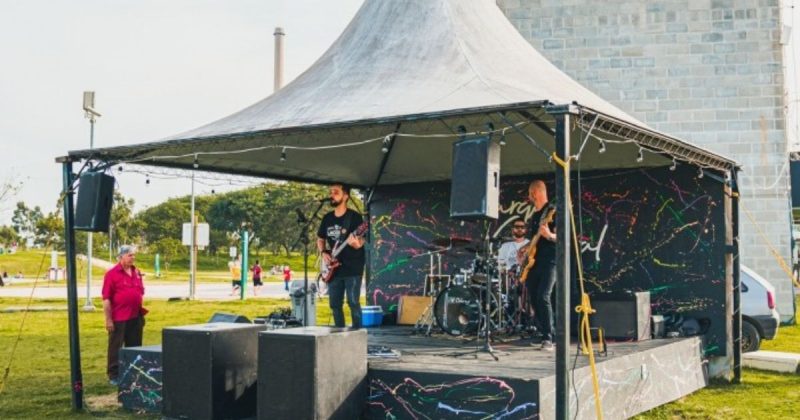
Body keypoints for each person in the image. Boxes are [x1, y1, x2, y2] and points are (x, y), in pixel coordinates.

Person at [317, 183, 366, 329]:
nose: (331, 195)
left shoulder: (355, 217)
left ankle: (357, 333)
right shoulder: (327, 218)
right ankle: (339, 334)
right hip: (333, 268)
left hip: (353, 267)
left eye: (336, 192)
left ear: (345, 196)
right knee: (335, 304)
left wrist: (357, 243)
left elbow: (362, 240)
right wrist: (324, 252)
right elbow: (320, 238)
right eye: (331, 192)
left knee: (353, 302)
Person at [102, 245, 147, 385]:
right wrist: (108, 319)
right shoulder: (112, 274)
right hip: (119, 318)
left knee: (135, 346)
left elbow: (140, 292)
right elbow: (106, 298)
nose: (132, 258)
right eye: (129, 255)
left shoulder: (137, 272)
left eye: (133, 255)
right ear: (121, 257)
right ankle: (114, 374)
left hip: (135, 317)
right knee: (116, 347)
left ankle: (133, 373)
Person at [523, 180, 557, 351]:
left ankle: (549, 337)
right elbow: (533, 240)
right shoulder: (535, 215)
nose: (529, 196)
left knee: (544, 295)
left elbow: (563, 238)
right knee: (533, 296)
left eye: (530, 193)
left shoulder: (552, 211)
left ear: (536, 192)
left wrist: (549, 234)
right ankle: (544, 331)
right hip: (534, 262)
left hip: (551, 261)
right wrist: (524, 249)